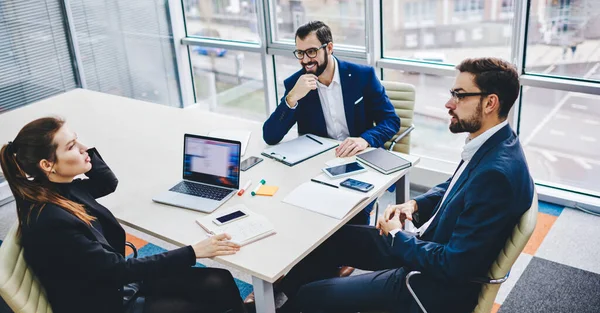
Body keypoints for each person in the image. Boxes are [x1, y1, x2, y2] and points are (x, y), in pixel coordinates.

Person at [275, 57, 535, 313]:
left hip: (427, 283)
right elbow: (455, 187)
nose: (449, 103)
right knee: (333, 240)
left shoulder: (496, 175)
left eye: (459, 95)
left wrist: (398, 236)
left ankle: (300, 300)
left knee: (312, 295)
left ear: (490, 103)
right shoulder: (496, 143)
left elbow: (454, 265)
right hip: (427, 247)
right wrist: (414, 204)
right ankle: (283, 295)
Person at [0, 117, 252, 313]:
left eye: (78, 141)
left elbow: (107, 183)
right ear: (47, 165)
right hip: (107, 303)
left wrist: (83, 153)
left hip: (113, 284)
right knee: (208, 299)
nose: (81, 148)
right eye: (71, 147)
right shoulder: (50, 220)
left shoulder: (57, 189)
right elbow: (117, 270)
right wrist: (193, 252)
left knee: (219, 280)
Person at [263, 20, 400, 226]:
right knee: (300, 213)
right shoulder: (296, 84)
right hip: (319, 166)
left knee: (353, 218)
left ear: (329, 47)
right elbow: (270, 136)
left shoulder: (363, 76)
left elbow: (391, 120)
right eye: (300, 53)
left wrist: (365, 139)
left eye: (311, 52)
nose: (305, 60)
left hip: (360, 161)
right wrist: (291, 99)